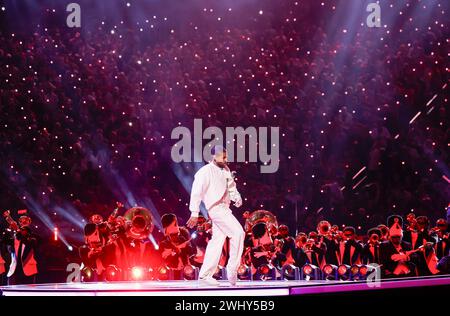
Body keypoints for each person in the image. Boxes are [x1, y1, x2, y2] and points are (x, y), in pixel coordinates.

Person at [187, 145, 245, 286]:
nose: (226, 159)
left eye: (226, 156)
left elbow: (231, 187)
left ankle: (205, 275)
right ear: (214, 156)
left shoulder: (226, 169)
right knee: (238, 233)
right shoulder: (205, 172)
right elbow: (196, 192)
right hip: (216, 209)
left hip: (225, 208)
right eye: (223, 156)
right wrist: (194, 212)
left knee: (217, 241)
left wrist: (236, 198)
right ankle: (232, 268)